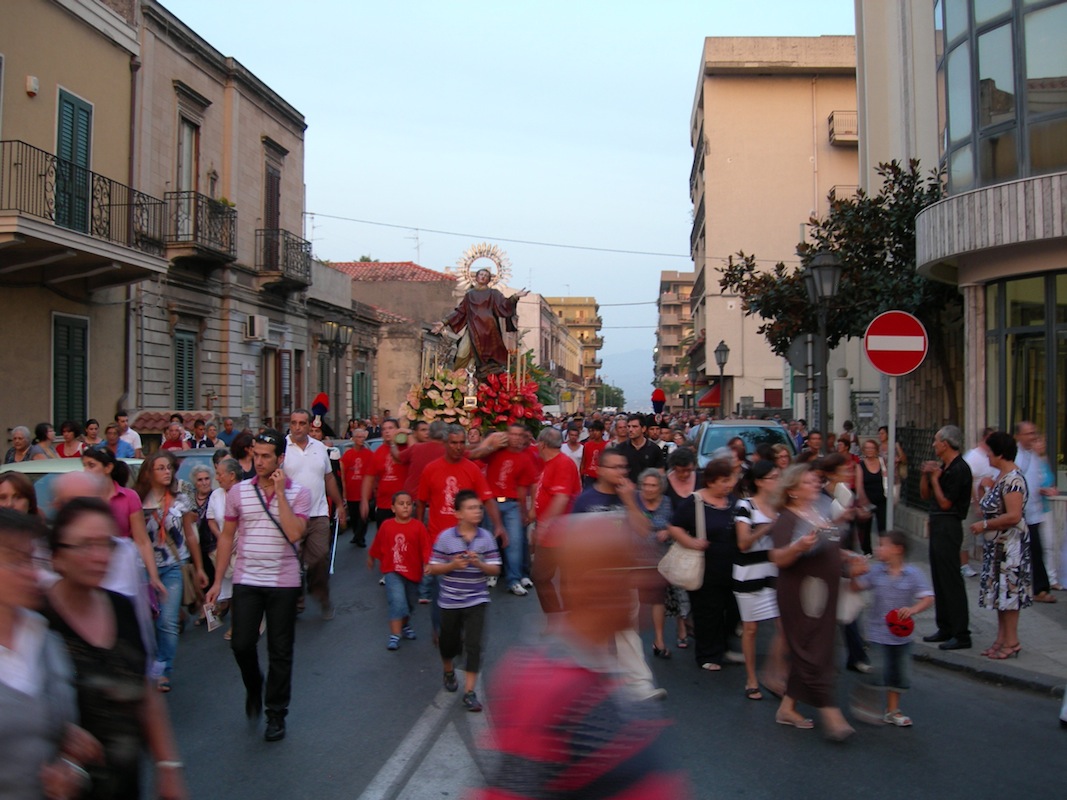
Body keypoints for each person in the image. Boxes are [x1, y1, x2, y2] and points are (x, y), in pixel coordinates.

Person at [468, 515, 694, 800]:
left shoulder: (598, 669)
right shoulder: (546, 690)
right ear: (597, 583)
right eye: (632, 566)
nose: (651, 577)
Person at [44, 498, 188, 799]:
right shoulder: (41, 623)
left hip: (126, 783)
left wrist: (168, 766)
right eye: (85, 545)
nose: (99, 556)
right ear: (57, 556)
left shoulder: (121, 607)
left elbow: (145, 691)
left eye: (105, 544)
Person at [205, 429, 310, 742]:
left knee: (280, 650)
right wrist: (217, 581)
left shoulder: (299, 493)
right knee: (241, 644)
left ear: (280, 459)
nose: (259, 462)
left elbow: (294, 533)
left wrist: (280, 494)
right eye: (256, 455)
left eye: (266, 456)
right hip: (247, 579)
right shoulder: (238, 493)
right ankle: (254, 685)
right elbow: (227, 537)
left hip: (283, 582)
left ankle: (276, 713)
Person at [0, 508, 104, 800]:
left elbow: (61, 738)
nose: (33, 572)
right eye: (15, 560)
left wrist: (72, 767)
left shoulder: (45, 637)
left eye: (32, 559)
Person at [767, 464, 867, 740]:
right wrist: (798, 547)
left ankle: (787, 708)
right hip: (803, 594)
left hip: (826, 592)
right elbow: (778, 557)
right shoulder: (787, 518)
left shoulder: (819, 512)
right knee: (813, 650)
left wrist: (849, 559)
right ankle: (830, 711)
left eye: (815, 481)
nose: (815, 485)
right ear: (793, 491)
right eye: (808, 482)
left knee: (816, 645)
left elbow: (830, 547)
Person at [135, 450, 208, 691]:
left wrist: (199, 567)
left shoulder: (181, 499)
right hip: (143, 568)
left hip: (173, 565)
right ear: (149, 473)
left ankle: (162, 669)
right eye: (161, 468)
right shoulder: (137, 500)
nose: (167, 472)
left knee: (166, 621)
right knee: (146, 622)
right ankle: (146, 664)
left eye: (169, 468)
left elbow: (190, 535)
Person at [427, 490, 502, 712]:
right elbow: (432, 568)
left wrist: (479, 564)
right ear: (458, 514)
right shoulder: (446, 538)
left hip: (477, 599)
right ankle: (448, 670)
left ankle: (470, 692)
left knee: (474, 645)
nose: (477, 511)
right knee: (448, 643)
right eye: (471, 508)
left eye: (479, 508)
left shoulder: (486, 537)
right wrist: (452, 565)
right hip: (450, 601)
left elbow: (496, 569)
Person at [852, 530, 934, 727]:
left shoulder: (913, 574)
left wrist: (913, 609)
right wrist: (854, 574)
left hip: (901, 635)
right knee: (878, 669)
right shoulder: (876, 572)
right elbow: (856, 587)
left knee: (900, 674)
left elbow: (928, 597)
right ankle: (866, 696)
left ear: (897, 549)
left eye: (882, 545)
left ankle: (892, 710)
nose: (878, 549)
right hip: (877, 633)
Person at [668, 458, 740, 673]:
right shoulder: (695, 502)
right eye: (724, 481)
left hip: (732, 566)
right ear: (711, 481)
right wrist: (691, 542)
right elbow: (674, 526)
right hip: (705, 568)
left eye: (730, 480)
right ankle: (707, 654)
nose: (729, 485)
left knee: (732, 609)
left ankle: (724, 647)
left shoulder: (733, 501)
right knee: (708, 612)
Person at [969, 431, 1033, 660]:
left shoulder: (1013, 480)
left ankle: (1012, 641)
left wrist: (985, 525)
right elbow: (989, 506)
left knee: (1010, 595)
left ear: (1000, 454)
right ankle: (1001, 639)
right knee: (1000, 595)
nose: (986, 456)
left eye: (989, 452)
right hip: (997, 546)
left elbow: (1014, 515)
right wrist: (982, 490)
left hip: (1010, 547)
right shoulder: (1000, 477)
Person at [283, 409, 346, 620]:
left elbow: (329, 478)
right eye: (294, 423)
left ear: (309, 425)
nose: (297, 427)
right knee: (292, 562)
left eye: (302, 423)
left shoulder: (319, 448)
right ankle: (297, 601)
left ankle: (321, 594)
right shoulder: (282, 448)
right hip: (291, 516)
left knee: (319, 557)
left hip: (318, 513)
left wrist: (339, 504)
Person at [733, 460, 786, 700]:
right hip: (749, 574)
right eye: (773, 477)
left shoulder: (781, 506)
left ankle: (774, 673)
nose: (778, 481)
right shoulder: (745, 506)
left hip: (774, 572)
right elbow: (743, 543)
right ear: (759, 482)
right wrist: (768, 526)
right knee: (751, 628)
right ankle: (751, 679)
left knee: (784, 628)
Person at [81, 448, 165, 599]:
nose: (86, 471)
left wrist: (154, 576)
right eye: (84, 465)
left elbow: (142, 540)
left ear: (108, 468)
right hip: (93, 569)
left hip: (122, 570)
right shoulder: (83, 499)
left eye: (91, 465)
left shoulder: (129, 497)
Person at [919, 425, 973, 650]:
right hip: (938, 524)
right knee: (939, 577)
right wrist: (926, 475)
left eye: (936, 440)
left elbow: (946, 503)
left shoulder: (960, 469)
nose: (933, 445)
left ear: (946, 443)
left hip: (949, 524)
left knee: (951, 579)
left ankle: (961, 633)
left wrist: (934, 479)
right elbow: (925, 495)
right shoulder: (943, 467)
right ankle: (945, 627)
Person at [431, 267, 528, 374]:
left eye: (486, 276)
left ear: (489, 280)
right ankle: (458, 377)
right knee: (462, 352)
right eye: (481, 275)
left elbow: (504, 305)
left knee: (484, 359)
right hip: (473, 328)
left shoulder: (493, 293)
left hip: (489, 330)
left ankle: (475, 377)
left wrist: (515, 297)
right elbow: (460, 312)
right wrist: (444, 322)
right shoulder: (470, 294)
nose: (483, 277)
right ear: (476, 277)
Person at [367, 491, 431, 650]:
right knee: (397, 601)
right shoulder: (387, 525)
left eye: (409, 504)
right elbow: (378, 543)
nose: (405, 507)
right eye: (401, 504)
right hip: (392, 570)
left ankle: (405, 625)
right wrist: (372, 557)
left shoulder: (418, 526)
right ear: (393, 508)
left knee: (408, 604)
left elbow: (426, 547)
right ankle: (395, 635)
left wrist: (427, 563)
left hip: (413, 572)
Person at [480, 424, 537, 596]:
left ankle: (514, 579)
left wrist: (526, 510)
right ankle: (492, 572)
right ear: (507, 435)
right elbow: (476, 453)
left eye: (520, 435)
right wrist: (491, 441)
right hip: (492, 502)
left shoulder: (525, 459)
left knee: (514, 542)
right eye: (513, 434)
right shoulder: (495, 452)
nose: (516, 438)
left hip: (512, 503)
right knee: (491, 540)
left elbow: (525, 487)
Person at [1014, 422, 1055, 603]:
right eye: (1028, 433)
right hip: (1017, 513)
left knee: (1036, 550)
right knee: (1018, 552)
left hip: (1034, 512)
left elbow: (1039, 479)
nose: (1032, 437)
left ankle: (1040, 588)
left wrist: (1044, 489)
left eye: (1034, 433)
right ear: (1019, 436)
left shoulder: (1035, 456)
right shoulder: (1013, 455)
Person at [637, 469, 674, 659]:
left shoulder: (667, 503)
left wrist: (668, 532)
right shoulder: (634, 501)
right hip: (635, 560)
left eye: (653, 485)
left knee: (658, 599)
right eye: (645, 485)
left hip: (659, 559)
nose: (648, 489)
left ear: (660, 487)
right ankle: (632, 642)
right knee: (636, 602)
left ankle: (659, 640)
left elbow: (674, 525)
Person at [208, 458, 242, 637]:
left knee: (240, 589)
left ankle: (238, 625)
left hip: (243, 547)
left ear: (232, 475)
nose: (217, 478)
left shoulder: (247, 492)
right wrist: (222, 537)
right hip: (224, 546)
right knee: (228, 589)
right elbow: (211, 519)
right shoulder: (216, 495)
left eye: (219, 474)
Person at [962, 428, 997, 579]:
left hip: (989, 503)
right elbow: (968, 481)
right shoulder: (973, 457)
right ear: (985, 438)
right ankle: (963, 565)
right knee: (966, 535)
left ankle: (987, 563)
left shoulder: (991, 456)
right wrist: (976, 503)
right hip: (973, 503)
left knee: (988, 535)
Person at [361, 418, 408, 527]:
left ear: (398, 430)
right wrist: (364, 500)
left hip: (405, 505)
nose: (387, 431)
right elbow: (369, 478)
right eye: (384, 429)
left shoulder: (406, 448)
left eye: (390, 428)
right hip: (384, 505)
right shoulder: (378, 452)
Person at [340, 428, 374, 546]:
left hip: (364, 492)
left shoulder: (369, 454)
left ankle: (360, 537)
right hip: (351, 492)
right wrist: (344, 492)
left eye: (363, 437)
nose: (361, 439)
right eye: (358, 437)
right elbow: (343, 474)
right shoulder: (348, 455)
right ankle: (356, 535)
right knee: (354, 516)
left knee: (363, 517)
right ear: (353, 439)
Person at [854, 438, 887, 556]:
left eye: (872, 448)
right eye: (867, 448)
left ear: (876, 449)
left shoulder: (882, 463)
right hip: (866, 499)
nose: (869, 450)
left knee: (883, 526)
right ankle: (867, 551)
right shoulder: (860, 465)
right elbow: (859, 485)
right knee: (865, 526)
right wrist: (863, 501)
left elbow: (889, 478)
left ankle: (884, 550)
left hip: (882, 499)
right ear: (863, 450)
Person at [579, 419, 607, 489]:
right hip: (589, 476)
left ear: (602, 431)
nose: (595, 433)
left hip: (601, 476)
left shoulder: (606, 445)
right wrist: (582, 474)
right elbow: (583, 461)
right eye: (593, 431)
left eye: (597, 431)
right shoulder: (587, 445)